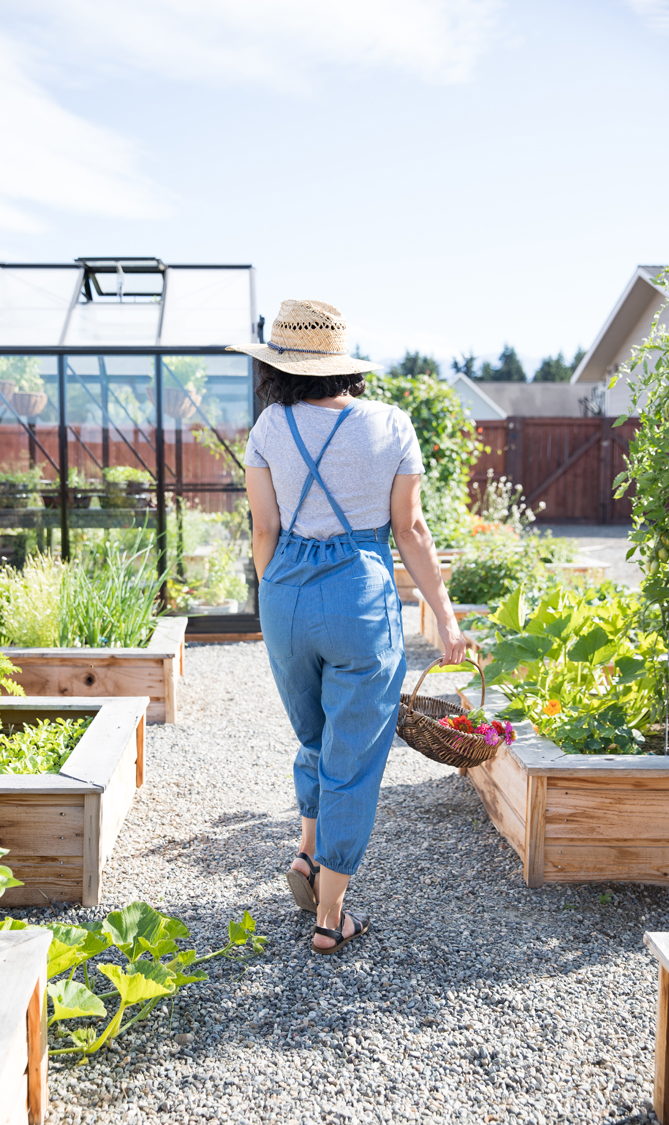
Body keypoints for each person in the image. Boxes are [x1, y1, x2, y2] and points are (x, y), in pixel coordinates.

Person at [228, 299, 465, 955]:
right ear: (343, 364)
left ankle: (307, 855)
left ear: (280, 367)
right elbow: (411, 530)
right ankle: (331, 917)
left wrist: (278, 593)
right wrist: (445, 619)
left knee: (315, 733)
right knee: (353, 756)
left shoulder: (270, 426)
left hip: (285, 597)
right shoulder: (391, 425)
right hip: (359, 592)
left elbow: (264, 531)